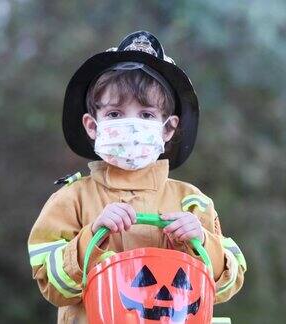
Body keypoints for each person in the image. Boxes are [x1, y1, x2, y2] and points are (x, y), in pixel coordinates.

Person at [27, 30, 247, 323]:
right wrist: (91, 237)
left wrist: (202, 242)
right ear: (93, 126)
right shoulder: (71, 200)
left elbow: (228, 282)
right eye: (116, 114)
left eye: (146, 115)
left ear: (167, 129)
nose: (131, 124)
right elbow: (50, 284)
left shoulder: (193, 203)